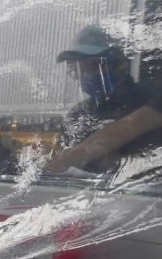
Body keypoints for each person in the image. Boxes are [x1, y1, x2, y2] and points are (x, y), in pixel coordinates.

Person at [48, 25, 162, 174]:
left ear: (120, 64)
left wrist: (68, 160)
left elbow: (132, 124)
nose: (85, 76)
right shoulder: (76, 116)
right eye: (78, 70)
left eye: (94, 67)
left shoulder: (152, 96)